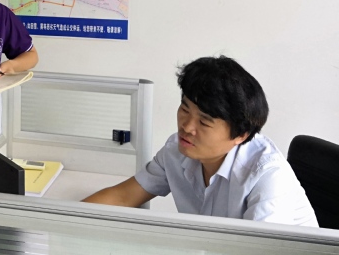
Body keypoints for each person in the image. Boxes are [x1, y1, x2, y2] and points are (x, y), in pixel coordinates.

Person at [83, 55, 318, 227]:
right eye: (185, 109)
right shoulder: (176, 150)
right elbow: (123, 197)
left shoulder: (267, 178)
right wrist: (63, 223)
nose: (186, 127)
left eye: (204, 122)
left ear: (241, 135)